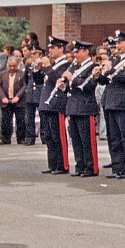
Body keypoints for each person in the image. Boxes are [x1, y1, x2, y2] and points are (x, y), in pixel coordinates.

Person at [97, 31, 125, 178]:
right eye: (116, 43)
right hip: (111, 101)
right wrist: (100, 74)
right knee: (113, 138)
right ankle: (117, 167)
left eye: (120, 42)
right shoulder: (114, 59)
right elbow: (105, 81)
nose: (117, 46)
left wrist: (111, 70)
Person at [64, 41, 100, 176]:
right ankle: (80, 165)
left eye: (78, 51)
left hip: (85, 107)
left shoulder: (93, 67)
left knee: (87, 140)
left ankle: (91, 167)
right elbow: (71, 87)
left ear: (86, 52)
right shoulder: (74, 67)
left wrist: (72, 79)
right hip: (73, 106)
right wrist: (63, 85)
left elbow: (89, 85)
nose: (75, 54)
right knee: (76, 140)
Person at [38, 38, 72, 174]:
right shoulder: (52, 64)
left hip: (57, 104)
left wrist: (47, 67)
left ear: (61, 49)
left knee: (58, 136)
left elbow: (57, 80)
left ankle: (62, 165)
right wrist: (38, 69)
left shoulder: (66, 65)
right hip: (46, 103)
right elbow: (40, 81)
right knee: (48, 136)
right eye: (50, 48)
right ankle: (52, 163)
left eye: (53, 48)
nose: (50, 51)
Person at [0, 56, 26, 144]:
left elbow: (24, 86)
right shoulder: (2, 74)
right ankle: (6, 138)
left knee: (20, 120)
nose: (12, 68)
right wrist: (3, 97)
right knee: (5, 120)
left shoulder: (22, 74)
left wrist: (18, 96)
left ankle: (21, 138)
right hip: (6, 100)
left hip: (19, 100)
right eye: (10, 66)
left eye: (14, 66)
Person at [21, 48, 44, 145]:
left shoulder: (43, 67)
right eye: (32, 54)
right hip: (30, 94)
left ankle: (44, 136)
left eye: (35, 54)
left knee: (43, 116)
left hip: (40, 93)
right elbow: (26, 80)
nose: (33, 56)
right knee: (29, 117)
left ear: (40, 55)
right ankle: (30, 137)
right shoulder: (29, 67)